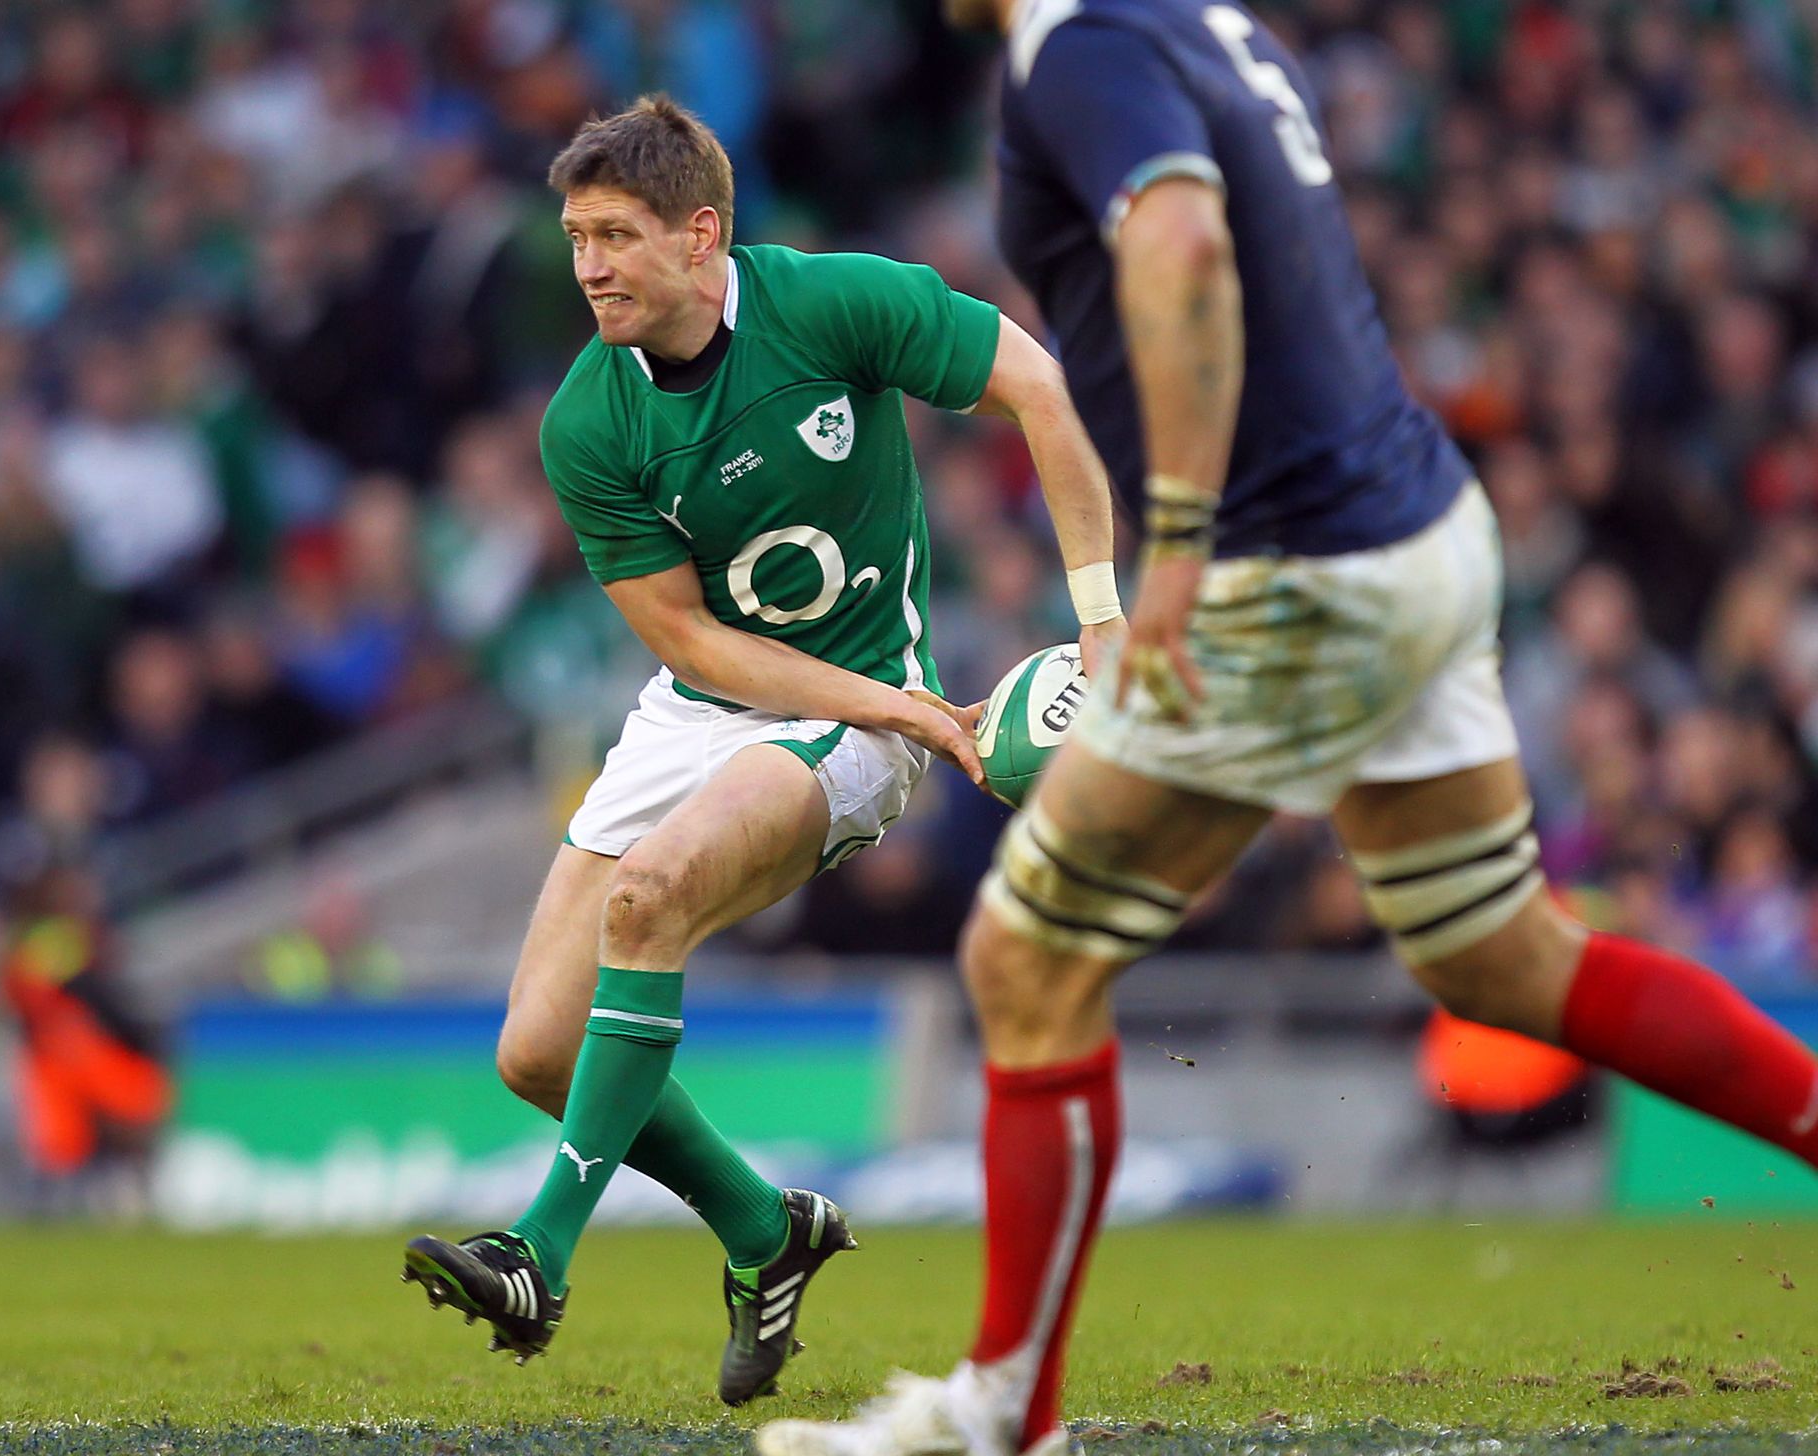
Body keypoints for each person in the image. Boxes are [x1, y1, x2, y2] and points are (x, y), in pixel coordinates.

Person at [757, 3, 1818, 1453]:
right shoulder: (1202, 23)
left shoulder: (1084, 46)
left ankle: (1004, 1413)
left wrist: (1180, 543)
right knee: (1497, 950)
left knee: (1027, 958)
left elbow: (1183, 244)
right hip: (1418, 527)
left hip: (1299, 569)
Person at [402, 95, 1126, 1407]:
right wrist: (898, 706)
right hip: (706, 705)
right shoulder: (586, 419)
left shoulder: (836, 305)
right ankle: (762, 1230)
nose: (592, 267)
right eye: (576, 237)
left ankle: (539, 1254)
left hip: (849, 720)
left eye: (618, 235)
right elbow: (694, 640)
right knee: (534, 1051)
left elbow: (1043, 391)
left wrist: (1099, 620)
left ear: (702, 234)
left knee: (648, 898)